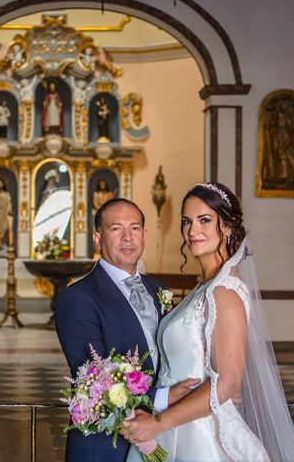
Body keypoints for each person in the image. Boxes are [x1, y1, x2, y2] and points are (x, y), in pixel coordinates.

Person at [123, 183, 294, 462]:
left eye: (205, 220)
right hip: (175, 423)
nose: (193, 230)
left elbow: (229, 382)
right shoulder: (206, 286)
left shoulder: (226, 290)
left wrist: (158, 424)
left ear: (229, 226)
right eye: (187, 221)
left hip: (198, 434)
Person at [55, 198, 200, 462]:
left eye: (134, 228)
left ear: (144, 235)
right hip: (106, 445)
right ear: (98, 237)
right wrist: (168, 396)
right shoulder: (77, 298)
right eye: (116, 229)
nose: (127, 238)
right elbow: (95, 381)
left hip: (166, 431)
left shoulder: (159, 290)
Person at [0, 178, 12, 251]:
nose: (0, 185)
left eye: (1, 183)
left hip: (5, 212)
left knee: (5, 228)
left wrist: (9, 210)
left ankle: (4, 245)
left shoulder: (7, 194)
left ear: (3, 184)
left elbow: (9, 203)